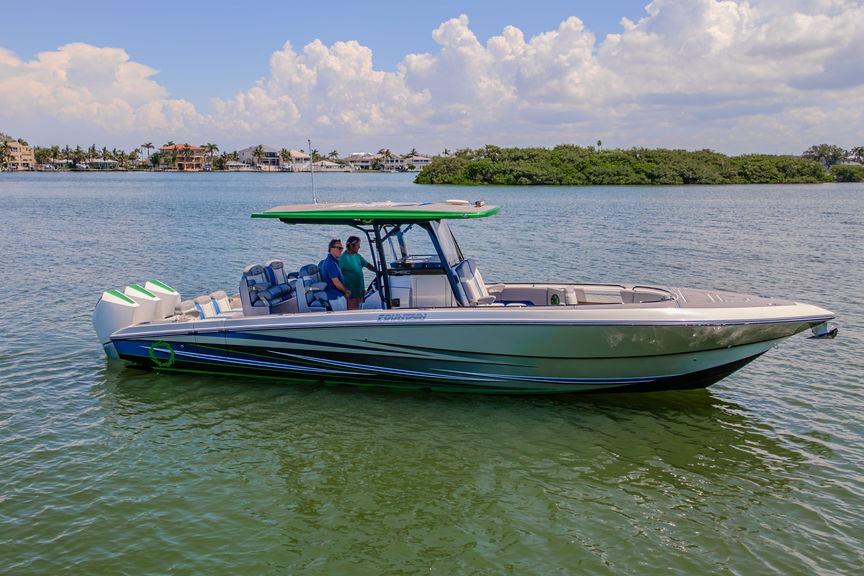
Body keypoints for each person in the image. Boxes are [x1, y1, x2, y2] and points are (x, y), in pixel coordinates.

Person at [340, 235, 376, 310]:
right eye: (357, 245)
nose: (359, 247)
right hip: (351, 295)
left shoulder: (357, 255)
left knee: (360, 311)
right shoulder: (343, 258)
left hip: (360, 292)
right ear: (351, 245)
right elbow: (337, 275)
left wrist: (377, 271)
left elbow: (367, 264)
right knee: (353, 314)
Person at [318, 238, 349, 311]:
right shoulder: (330, 263)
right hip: (335, 297)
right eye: (339, 248)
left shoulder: (335, 261)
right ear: (331, 249)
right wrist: (346, 292)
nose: (341, 250)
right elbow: (336, 282)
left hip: (339, 294)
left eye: (342, 248)